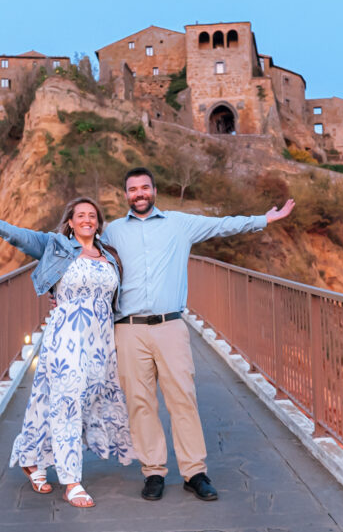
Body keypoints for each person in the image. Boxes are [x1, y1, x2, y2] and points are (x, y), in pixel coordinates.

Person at [102, 167, 295, 502]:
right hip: (128, 329)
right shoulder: (112, 232)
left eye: (144, 187)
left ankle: (194, 472)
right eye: (133, 189)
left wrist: (264, 219)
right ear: (125, 195)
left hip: (171, 325)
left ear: (154, 190)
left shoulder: (180, 224)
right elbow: (85, 258)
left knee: (183, 399)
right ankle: (153, 472)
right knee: (140, 403)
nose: (139, 194)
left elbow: (223, 225)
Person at [0, 197, 133, 508]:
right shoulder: (55, 245)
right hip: (67, 336)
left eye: (92, 215)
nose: (87, 219)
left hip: (99, 342)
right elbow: (15, 234)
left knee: (63, 399)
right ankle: (71, 481)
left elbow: (114, 299)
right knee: (67, 402)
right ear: (70, 222)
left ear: (99, 223)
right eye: (80, 215)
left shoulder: (109, 256)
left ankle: (30, 457)